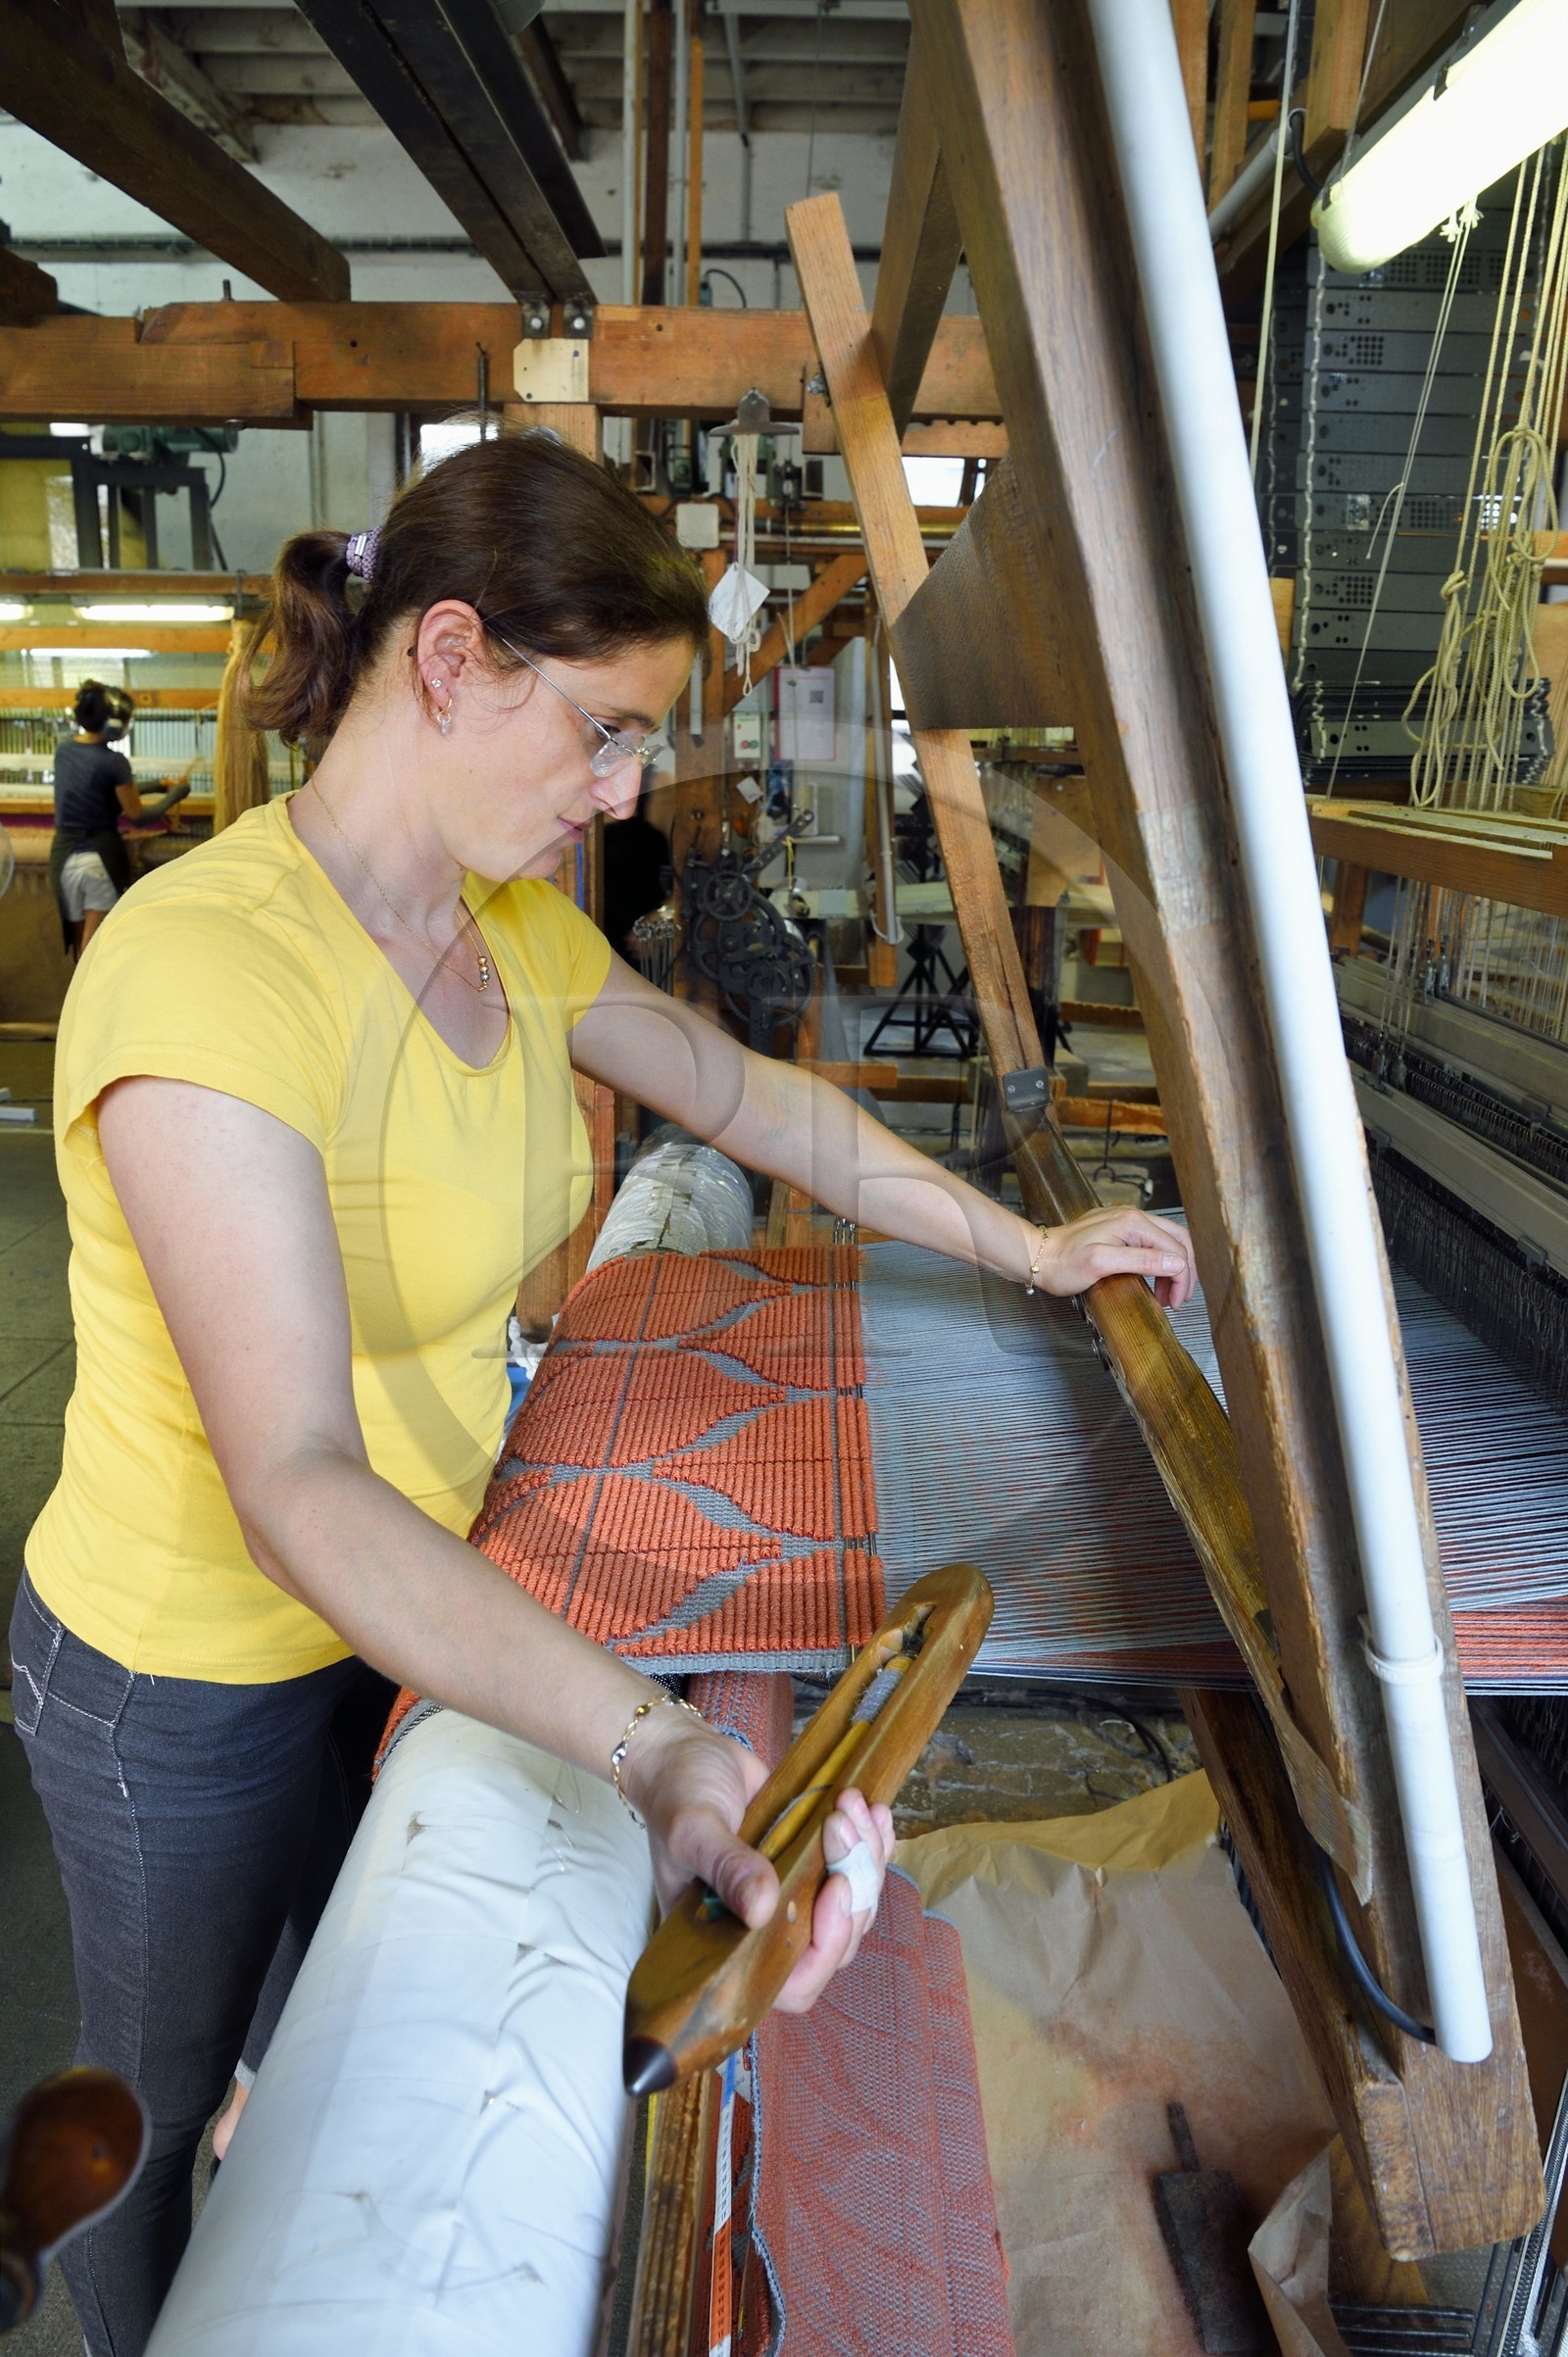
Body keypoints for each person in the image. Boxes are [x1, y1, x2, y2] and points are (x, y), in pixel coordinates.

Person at [8, 432, 1196, 2357]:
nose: (627, 791)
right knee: (156, 2108)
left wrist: (1029, 1247)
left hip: (395, 1614)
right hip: (186, 1665)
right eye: (606, 732)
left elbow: (754, 1100)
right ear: (452, 657)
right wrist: (648, 1742)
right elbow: (296, 1480)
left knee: (343, 2045)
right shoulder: (204, 978)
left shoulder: (509, 939)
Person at [47, 683, 189, 955]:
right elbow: (137, 815)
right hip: (98, 860)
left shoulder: (64, 751)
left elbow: (101, 791)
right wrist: (175, 796)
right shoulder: (114, 762)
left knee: (81, 947)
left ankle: (79, 995)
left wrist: (157, 785)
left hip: (62, 859)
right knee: (96, 948)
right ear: (113, 724)